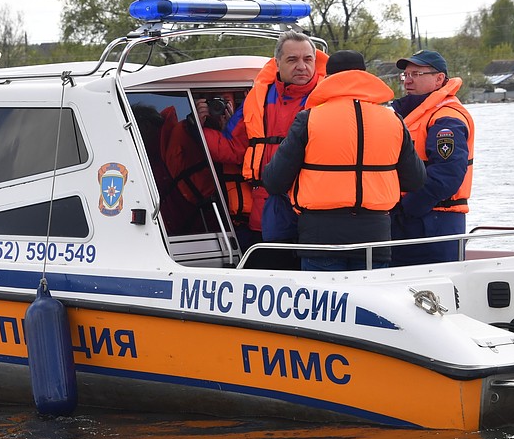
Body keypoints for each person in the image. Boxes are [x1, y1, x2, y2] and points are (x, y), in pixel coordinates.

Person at [262, 51, 425, 271]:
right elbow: (415, 180)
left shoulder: (309, 118)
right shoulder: (393, 120)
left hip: (320, 239)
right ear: (365, 76)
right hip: (375, 239)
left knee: (323, 306)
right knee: (371, 304)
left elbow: (274, 181)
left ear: (328, 79)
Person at [202, 31, 329, 264]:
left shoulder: (329, 99)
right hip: (266, 213)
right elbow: (233, 148)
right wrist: (197, 129)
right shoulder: (258, 99)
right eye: (292, 60)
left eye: (308, 59)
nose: (302, 66)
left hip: (317, 213)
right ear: (277, 63)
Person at [389, 49, 475, 266]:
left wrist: (406, 208)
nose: (408, 80)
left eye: (416, 74)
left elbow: (447, 175)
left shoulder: (447, 119)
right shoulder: (412, 115)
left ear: (439, 79)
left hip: (434, 222)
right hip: (413, 220)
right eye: (405, 75)